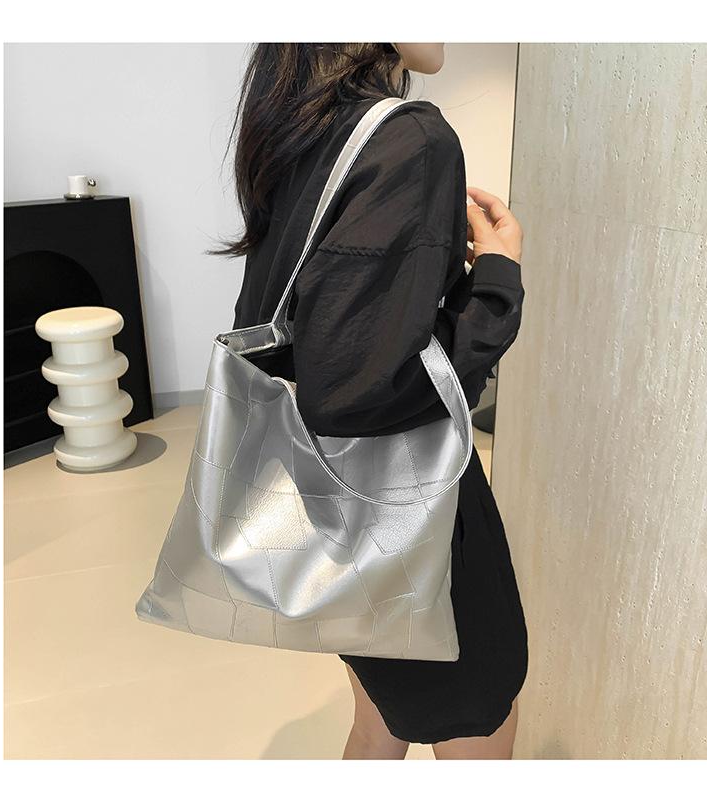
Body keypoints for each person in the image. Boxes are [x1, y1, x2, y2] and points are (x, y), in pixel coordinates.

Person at [213, 42, 528, 760]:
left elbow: (312, 338)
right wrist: (497, 280)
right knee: (479, 716)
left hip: (331, 512)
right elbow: (359, 389)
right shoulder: (410, 138)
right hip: (408, 514)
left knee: (378, 718)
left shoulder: (297, 125)